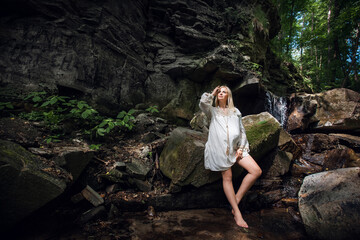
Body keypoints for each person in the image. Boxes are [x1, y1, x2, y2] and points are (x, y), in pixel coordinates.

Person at [199, 85, 262, 228]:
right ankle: (238, 214)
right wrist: (212, 93)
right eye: (219, 92)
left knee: (256, 171)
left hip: (236, 148)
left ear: (228, 96)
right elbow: (203, 103)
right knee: (227, 177)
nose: (221, 93)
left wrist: (241, 148)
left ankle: (236, 200)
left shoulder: (235, 112)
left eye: (224, 92)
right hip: (220, 149)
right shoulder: (212, 111)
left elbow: (242, 131)